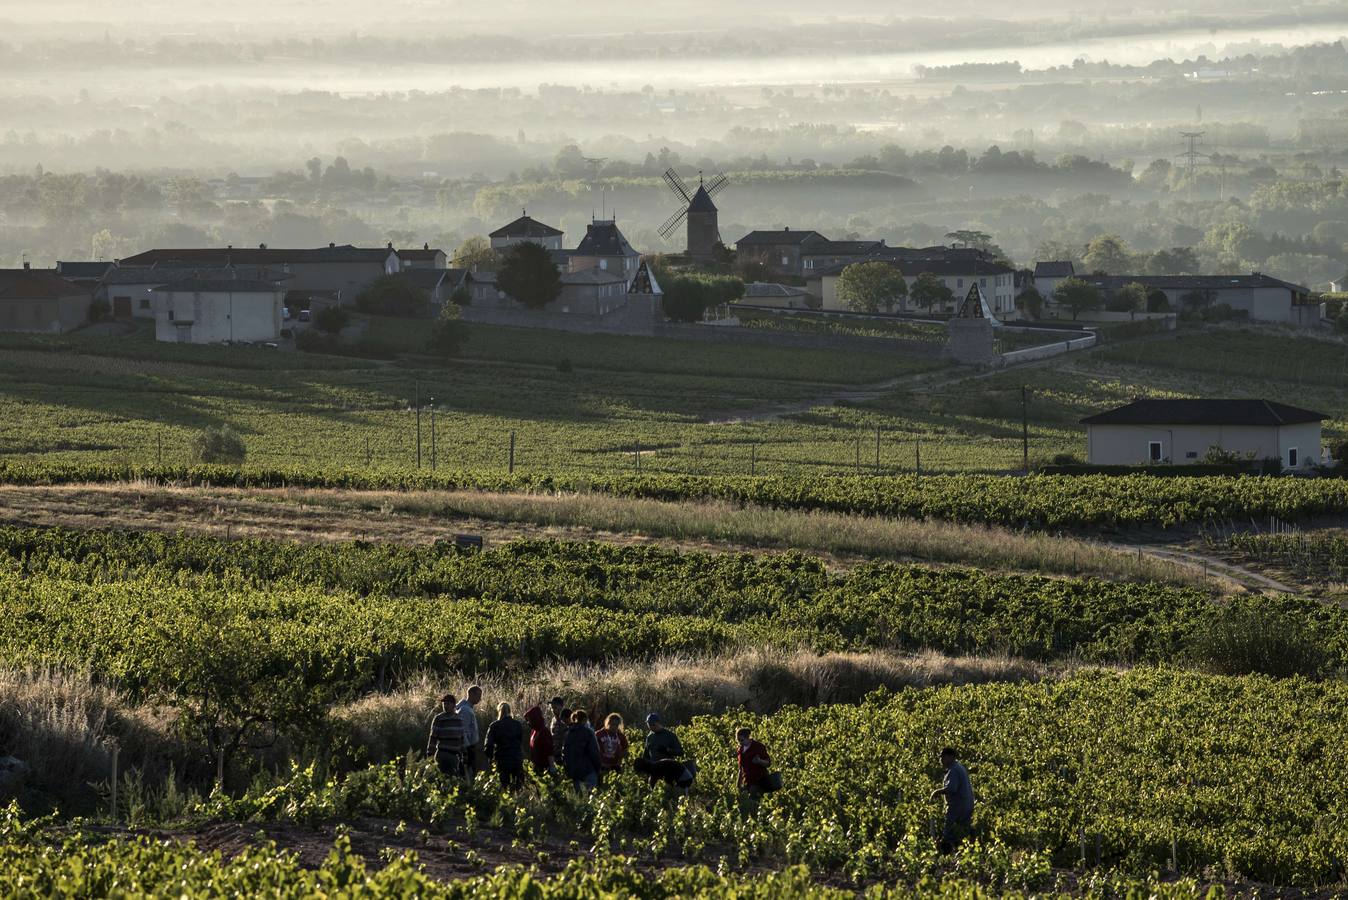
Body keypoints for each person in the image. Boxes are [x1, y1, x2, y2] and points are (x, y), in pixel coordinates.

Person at [930, 747, 974, 853]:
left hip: (957, 806)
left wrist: (936, 792)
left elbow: (952, 788)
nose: (941, 760)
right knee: (961, 832)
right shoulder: (959, 767)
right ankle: (960, 854)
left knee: (949, 833)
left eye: (943, 757)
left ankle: (945, 855)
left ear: (950, 757)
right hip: (966, 805)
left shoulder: (953, 770)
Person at [635, 712, 693, 788]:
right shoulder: (649, 737)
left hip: (668, 771)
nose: (651, 727)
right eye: (649, 724)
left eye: (652, 724)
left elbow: (680, 752)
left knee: (668, 790)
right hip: (654, 772)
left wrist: (667, 750)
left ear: (658, 723)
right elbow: (646, 755)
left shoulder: (670, 735)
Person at [483, 701, 525, 789]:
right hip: (516, 759)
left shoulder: (494, 725)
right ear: (510, 711)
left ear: (499, 711)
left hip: (502, 760)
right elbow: (520, 741)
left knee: (504, 787)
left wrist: (490, 758)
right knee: (518, 787)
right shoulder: (517, 725)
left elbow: (488, 745)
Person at [561, 709, 602, 794]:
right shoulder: (588, 733)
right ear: (584, 720)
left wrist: (568, 770)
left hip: (574, 772)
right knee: (592, 797)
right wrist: (598, 769)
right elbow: (594, 753)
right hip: (588, 770)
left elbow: (564, 753)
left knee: (579, 799)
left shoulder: (568, 733)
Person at [425, 693, 466, 777]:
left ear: (454, 705)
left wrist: (464, 755)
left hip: (454, 755)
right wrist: (430, 753)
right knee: (440, 778)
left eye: (448, 704)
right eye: (444, 704)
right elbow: (433, 737)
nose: (445, 706)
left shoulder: (459, 719)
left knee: (452, 779)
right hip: (442, 754)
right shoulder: (439, 718)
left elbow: (461, 738)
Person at [735, 727, 773, 794]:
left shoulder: (758, 747)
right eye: (738, 740)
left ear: (748, 738)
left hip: (759, 781)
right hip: (748, 783)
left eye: (742, 740)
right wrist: (738, 785)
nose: (740, 742)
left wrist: (759, 761)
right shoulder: (740, 750)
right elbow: (741, 769)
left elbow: (768, 763)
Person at [523, 701, 556, 776]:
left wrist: (552, 768)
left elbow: (549, 751)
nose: (528, 723)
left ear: (535, 719)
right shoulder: (533, 731)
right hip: (536, 767)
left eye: (529, 720)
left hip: (545, 768)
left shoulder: (544, 732)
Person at [457, 685, 482, 780]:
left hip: (469, 747)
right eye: (478, 695)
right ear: (471, 694)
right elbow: (463, 731)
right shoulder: (465, 710)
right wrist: (465, 751)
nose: (480, 699)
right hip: (467, 748)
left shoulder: (467, 708)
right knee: (467, 774)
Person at [595, 713, 628, 781]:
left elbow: (625, 749)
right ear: (608, 723)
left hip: (615, 766)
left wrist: (620, 759)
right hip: (602, 765)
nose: (614, 727)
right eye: (612, 724)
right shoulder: (599, 734)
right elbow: (593, 749)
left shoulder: (620, 736)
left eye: (616, 725)